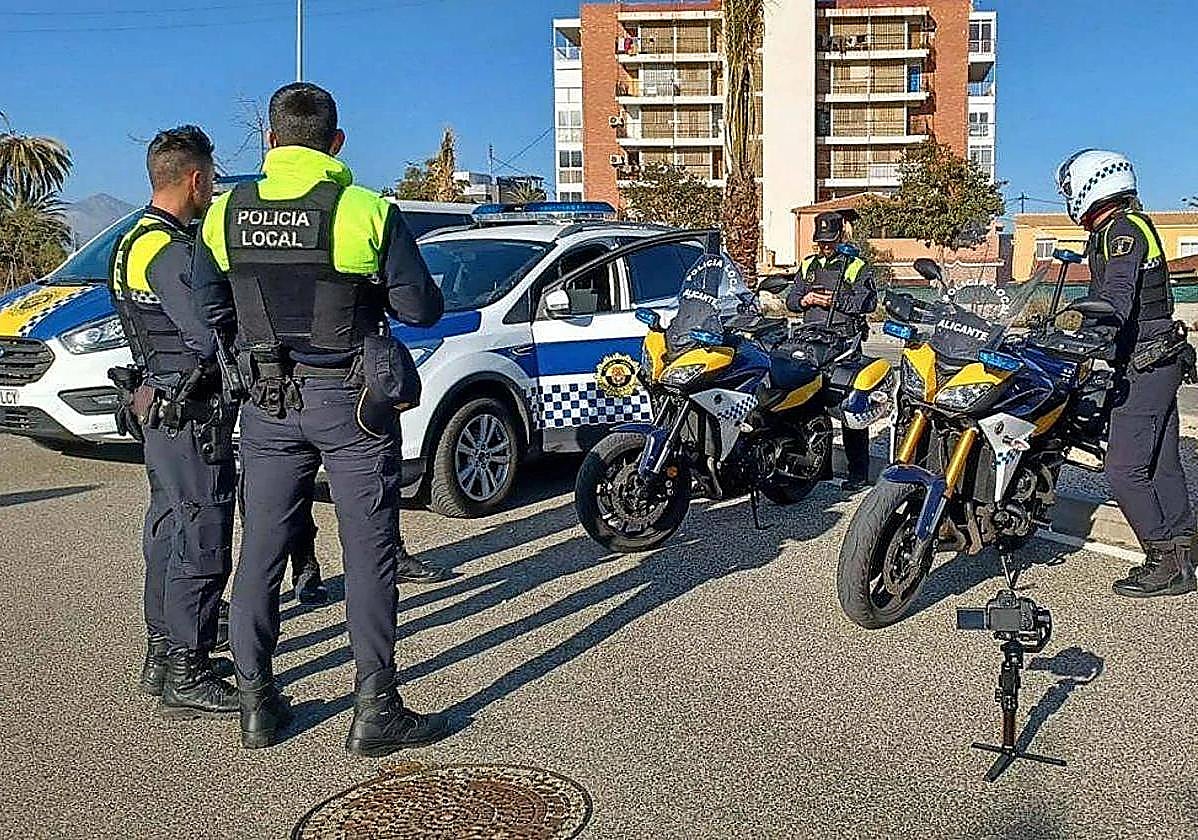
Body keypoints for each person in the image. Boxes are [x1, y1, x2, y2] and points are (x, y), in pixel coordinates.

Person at [193, 82, 447, 752]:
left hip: (268, 403)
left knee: (262, 552)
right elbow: (421, 310)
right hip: (352, 404)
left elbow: (206, 311)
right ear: (336, 143)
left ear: (271, 141)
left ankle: (256, 703)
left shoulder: (224, 212)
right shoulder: (364, 210)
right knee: (367, 555)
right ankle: (374, 709)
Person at [107, 125, 238, 717]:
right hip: (188, 414)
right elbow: (206, 332)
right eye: (210, 181)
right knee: (201, 536)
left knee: (167, 531)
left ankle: (162, 653)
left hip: (161, 408)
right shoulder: (167, 250)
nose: (211, 191)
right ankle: (188, 666)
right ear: (196, 179)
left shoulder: (131, 239)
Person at [1057, 150, 1196, 599]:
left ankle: (1165, 562)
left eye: (1069, 189)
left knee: (1122, 469)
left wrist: (1094, 335)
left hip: (1146, 358)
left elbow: (1117, 293)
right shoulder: (1119, 228)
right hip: (1157, 356)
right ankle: (1185, 544)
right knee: (1160, 462)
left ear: (1090, 185)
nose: (1067, 199)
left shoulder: (1122, 231)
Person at [785, 210, 878, 492]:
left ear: (840, 236)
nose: (826, 247)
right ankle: (819, 468)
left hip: (843, 344)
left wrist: (834, 301)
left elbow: (867, 303)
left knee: (849, 407)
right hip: (810, 342)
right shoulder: (808, 265)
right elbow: (790, 300)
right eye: (821, 242)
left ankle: (858, 472)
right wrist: (806, 299)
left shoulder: (856, 265)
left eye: (830, 241)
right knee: (810, 405)